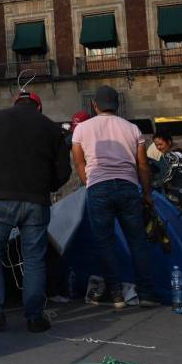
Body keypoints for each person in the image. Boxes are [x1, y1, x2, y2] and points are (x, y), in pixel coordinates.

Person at [0, 90, 70, 332]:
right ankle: (34, 317)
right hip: (36, 201)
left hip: (0, 198)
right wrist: (46, 187)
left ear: (15, 104)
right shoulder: (51, 127)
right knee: (34, 259)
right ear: (38, 107)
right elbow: (63, 170)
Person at [71, 85, 158, 308]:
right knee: (137, 241)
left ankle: (117, 294)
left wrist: (89, 182)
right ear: (117, 105)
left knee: (105, 242)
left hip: (98, 187)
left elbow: (79, 162)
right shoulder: (133, 129)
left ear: (94, 105)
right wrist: (147, 193)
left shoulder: (81, 129)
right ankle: (147, 294)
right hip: (128, 187)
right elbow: (143, 165)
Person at [150, 132, 182, 214]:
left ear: (169, 142)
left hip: (181, 193)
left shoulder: (175, 156)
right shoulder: (165, 157)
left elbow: (169, 174)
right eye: (156, 145)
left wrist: (155, 182)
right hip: (178, 192)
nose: (158, 147)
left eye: (160, 144)